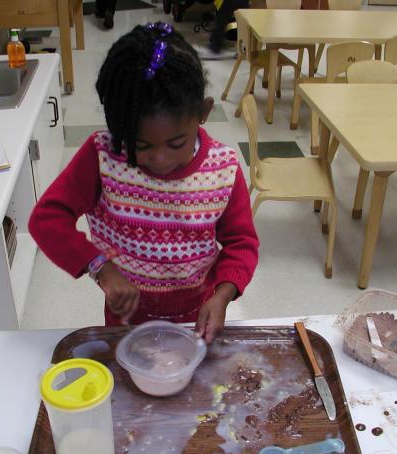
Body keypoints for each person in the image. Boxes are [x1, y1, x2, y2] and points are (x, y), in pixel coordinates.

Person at [28, 22, 259, 343]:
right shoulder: (103, 156)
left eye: (176, 143)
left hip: (197, 318)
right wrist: (100, 267)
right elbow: (46, 220)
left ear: (203, 112)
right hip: (125, 320)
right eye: (142, 145)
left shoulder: (223, 170)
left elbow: (241, 244)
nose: (161, 159)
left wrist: (222, 295)